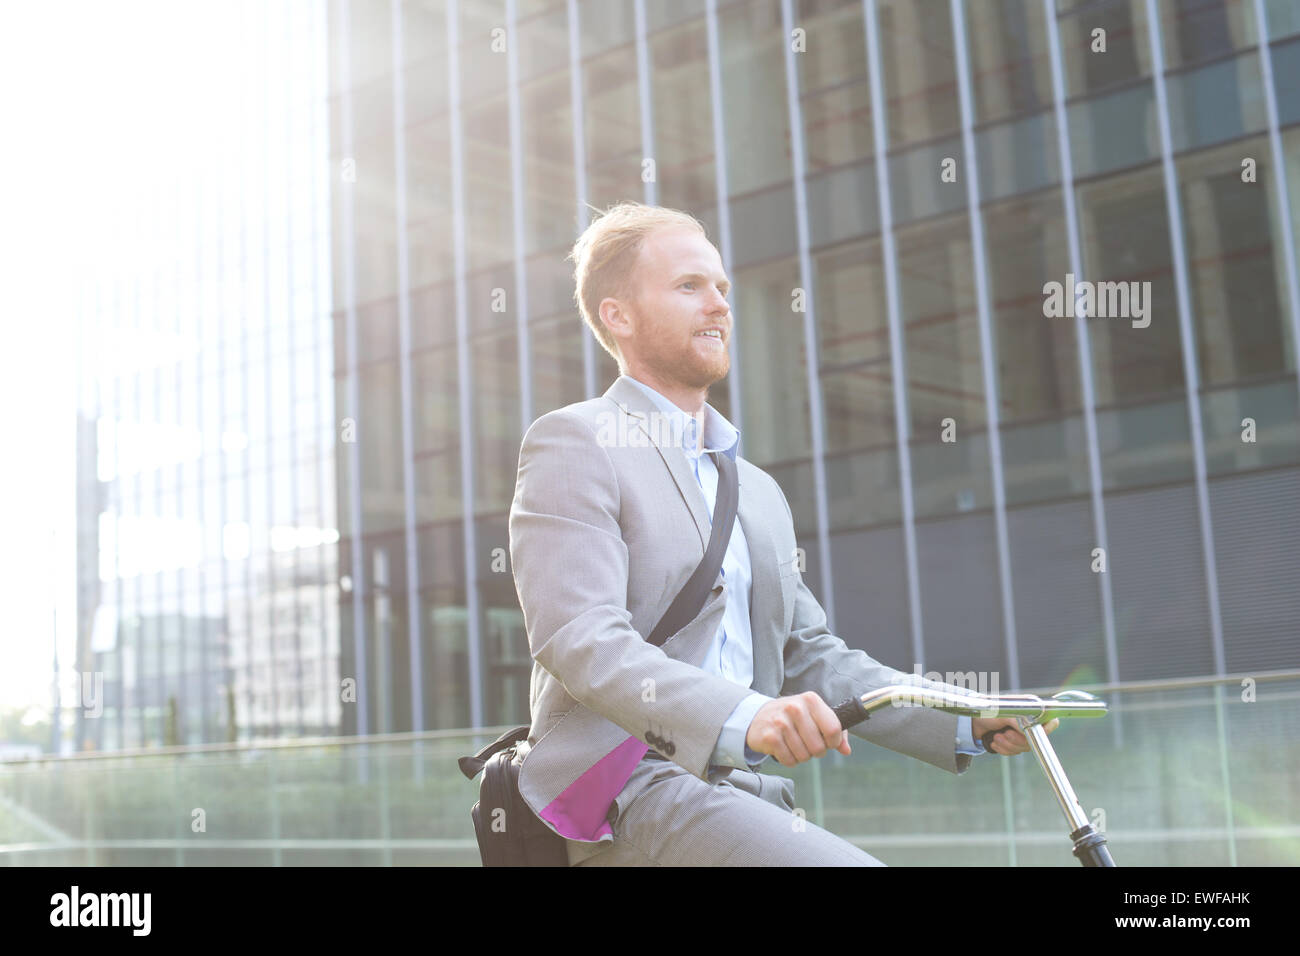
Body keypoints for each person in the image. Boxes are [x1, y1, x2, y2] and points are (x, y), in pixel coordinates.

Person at [508, 200, 1057, 866]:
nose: (717, 303)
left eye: (721, 288)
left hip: (748, 792)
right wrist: (745, 715)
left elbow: (810, 654)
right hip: (626, 787)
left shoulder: (757, 490)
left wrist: (966, 714)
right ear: (617, 315)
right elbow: (580, 639)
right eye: (688, 286)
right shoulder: (575, 442)